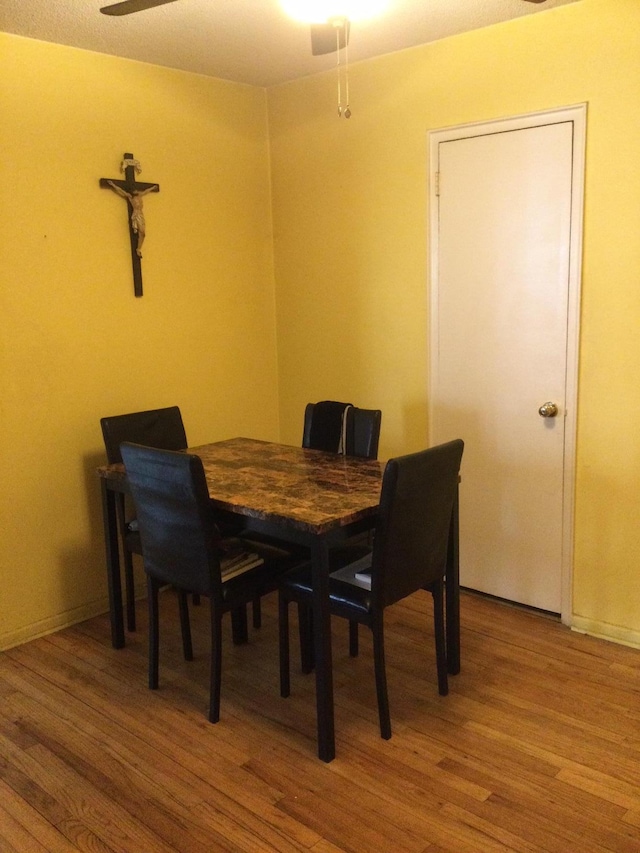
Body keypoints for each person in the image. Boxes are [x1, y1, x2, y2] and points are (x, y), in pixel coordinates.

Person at [106, 181, 158, 257]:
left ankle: (138, 248)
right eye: (134, 190)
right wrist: (113, 185)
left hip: (141, 214)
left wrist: (153, 187)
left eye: (136, 189)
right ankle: (137, 245)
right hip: (136, 214)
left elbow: (146, 191)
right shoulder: (130, 197)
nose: (136, 191)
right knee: (141, 232)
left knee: (143, 234)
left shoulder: (140, 195)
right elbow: (120, 190)